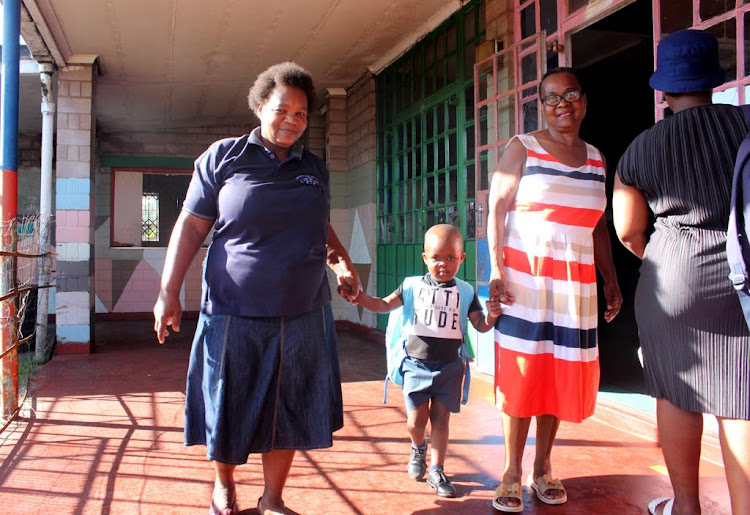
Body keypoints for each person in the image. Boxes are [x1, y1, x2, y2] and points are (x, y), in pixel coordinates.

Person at [153, 62, 359, 515]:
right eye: (282, 109)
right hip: (233, 309)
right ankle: (224, 485)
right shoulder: (223, 157)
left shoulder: (314, 169)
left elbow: (319, 225)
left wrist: (342, 263)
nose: (292, 120)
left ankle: (272, 499)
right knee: (230, 400)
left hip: (304, 311)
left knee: (288, 407)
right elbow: (190, 226)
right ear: (261, 106)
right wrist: (168, 290)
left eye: (302, 114)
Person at [613, 30, 750, 515]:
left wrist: (663, 255)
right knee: (741, 398)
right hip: (743, 274)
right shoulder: (746, 124)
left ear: (663, 90)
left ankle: (685, 507)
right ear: (714, 80)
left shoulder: (641, 148)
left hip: (673, 276)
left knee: (675, 390)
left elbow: (629, 231)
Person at [487, 67, 622, 512]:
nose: (561, 104)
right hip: (526, 280)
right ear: (540, 106)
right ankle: (510, 471)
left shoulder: (598, 157)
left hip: (576, 285)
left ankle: (543, 467)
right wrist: (497, 270)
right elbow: (497, 209)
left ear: (585, 101)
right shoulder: (521, 148)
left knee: (559, 372)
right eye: (550, 98)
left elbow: (599, 227)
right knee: (525, 372)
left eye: (571, 95)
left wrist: (611, 280)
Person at [355, 224, 504, 498]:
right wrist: (360, 297)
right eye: (436, 258)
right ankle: (417, 446)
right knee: (415, 421)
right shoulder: (411, 286)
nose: (443, 264)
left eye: (450, 258)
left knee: (441, 420)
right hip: (416, 366)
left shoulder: (466, 291)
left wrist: (493, 315)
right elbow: (383, 305)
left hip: (449, 367)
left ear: (462, 258)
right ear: (425, 258)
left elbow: (480, 326)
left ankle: (437, 469)